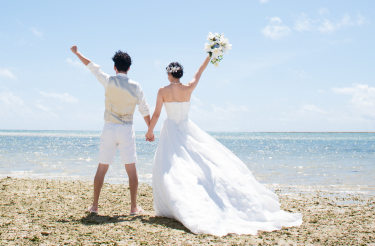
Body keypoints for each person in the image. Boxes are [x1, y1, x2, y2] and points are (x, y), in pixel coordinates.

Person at [145, 55, 303, 236]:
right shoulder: (189, 87)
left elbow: (156, 114)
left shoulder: (162, 90)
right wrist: (209, 56)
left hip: (171, 129)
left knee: (170, 166)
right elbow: (200, 71)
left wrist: (150, 131)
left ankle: (174, 202)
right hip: (187, 128)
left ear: (168, 74)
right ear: (180, 74)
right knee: (192, 162)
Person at [70, 45, 151, 215]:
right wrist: (150, 130)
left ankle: (94, 205)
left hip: (109, 127)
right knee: (131, 169)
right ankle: (134, 207)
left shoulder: (108, 81)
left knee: (102, 168)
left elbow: (92, 66)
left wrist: (77, 53)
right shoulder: (136, 86)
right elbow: (144, 109)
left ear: (115, 67)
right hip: (127, 129)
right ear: (129, 68)